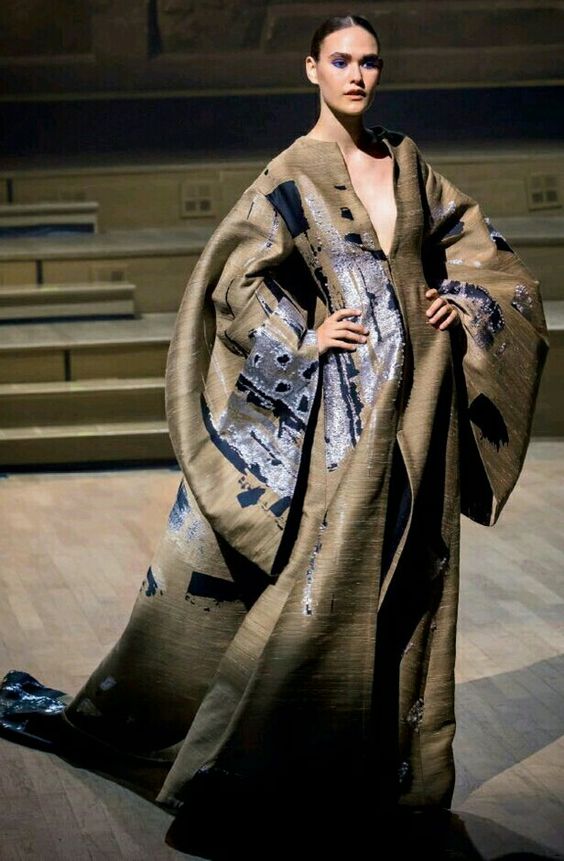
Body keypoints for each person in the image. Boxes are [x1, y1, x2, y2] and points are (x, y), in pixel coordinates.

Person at [0, 13, 549, 858]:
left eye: (370, 61)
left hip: (425, 407)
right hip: (345, 420)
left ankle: (389, 775)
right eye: (342, 60)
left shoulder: (409, 164)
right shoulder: (290, 175)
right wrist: (304, 336)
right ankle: (256, 776)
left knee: (413, 584)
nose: (358, 75)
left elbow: (487, 259)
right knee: (327, 584)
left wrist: (461, 303)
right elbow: (233, 283)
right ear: (311, 70)